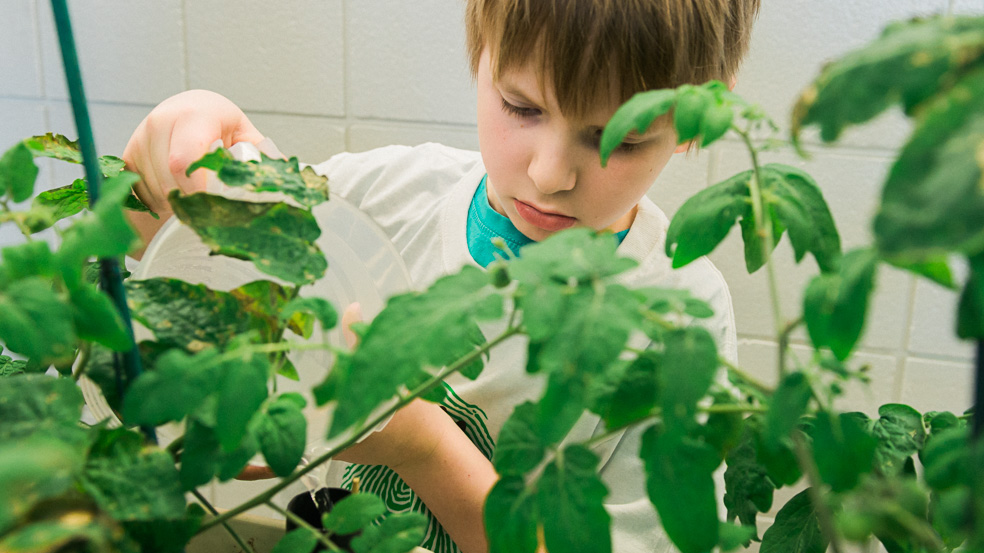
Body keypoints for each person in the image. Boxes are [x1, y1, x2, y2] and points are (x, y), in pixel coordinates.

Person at [123, 1, 760, 551]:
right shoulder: (386, 195)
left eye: (616, 140)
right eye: (522, 107)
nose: (549, 175)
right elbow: (179, 255)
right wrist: (182, 138)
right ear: (479, 57)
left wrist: (420, 446)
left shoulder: (680, 321)